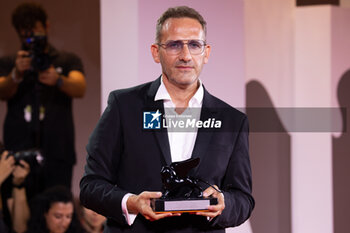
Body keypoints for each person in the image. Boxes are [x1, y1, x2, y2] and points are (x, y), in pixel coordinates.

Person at [80, 6, 254, 233]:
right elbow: (90, 186)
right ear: (155, 51)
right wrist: (132, 202)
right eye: (174, 44)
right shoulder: (124, 106)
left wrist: (224, 202)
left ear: (206, 52)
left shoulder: (232, 121)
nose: (185, 55)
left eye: (194, 45)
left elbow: (243, 199)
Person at [0, 2, 86, 193]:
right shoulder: (9, 63)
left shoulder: (66, 60)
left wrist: (58, 80)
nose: (30, 39)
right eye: (25, 35)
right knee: (18, 210)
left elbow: (80, 87)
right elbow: (2, 90)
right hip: (19, 150)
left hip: (58, 151)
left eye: (35, 33)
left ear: (46, 26)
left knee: (56, 204)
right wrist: (15, 75)